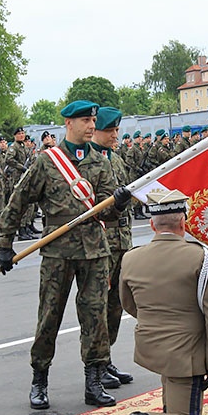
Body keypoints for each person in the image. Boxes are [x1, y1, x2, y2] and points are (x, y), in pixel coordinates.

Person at [0, 100, 132, 410]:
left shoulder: (100, 162)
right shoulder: (48, 162)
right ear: (68, 123)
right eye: (85, 120)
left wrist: (119, 203)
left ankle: (93, 381)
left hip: (96, 250)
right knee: (49, 316)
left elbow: (107, 214)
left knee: (95, 316)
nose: (90, 126)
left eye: (93, 120)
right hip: (58, 251)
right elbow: (17, 202)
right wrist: (5, 245)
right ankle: (39, 379)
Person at [119, 190, 208, 415]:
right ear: (183, 223)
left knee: (175, 409)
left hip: (150, 345)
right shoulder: (199, 257)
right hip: (186, 352)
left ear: (152, 224)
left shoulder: (130, 258)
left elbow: (129, 304)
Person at [89, 106, 135, 389]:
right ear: (95, 131)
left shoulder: (115, 160)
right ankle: (96, 363)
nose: (115, 135)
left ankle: (107, 359)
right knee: (98, 306)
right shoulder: (87, 162)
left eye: (117, 130)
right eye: (110, 131)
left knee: (116, 304)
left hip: (122, 241)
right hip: (102, 243)